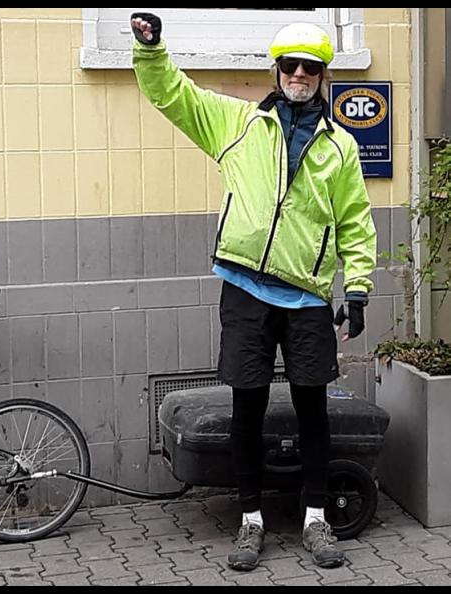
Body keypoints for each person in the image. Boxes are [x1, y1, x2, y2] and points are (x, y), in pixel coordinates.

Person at [131, 13, 376, 571]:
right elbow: (176, 97)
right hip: (245, 288)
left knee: (314, 408)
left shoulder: (340, 148)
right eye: (289, 65)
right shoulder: (238, 124)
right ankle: (250, 522)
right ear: (276, 70)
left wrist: (357, 289)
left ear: (322, 76)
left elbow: (357, 221)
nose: (298, 74)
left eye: (309, 67)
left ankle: (316, 518)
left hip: (308, 294)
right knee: (249, 404)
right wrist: (151, 50)